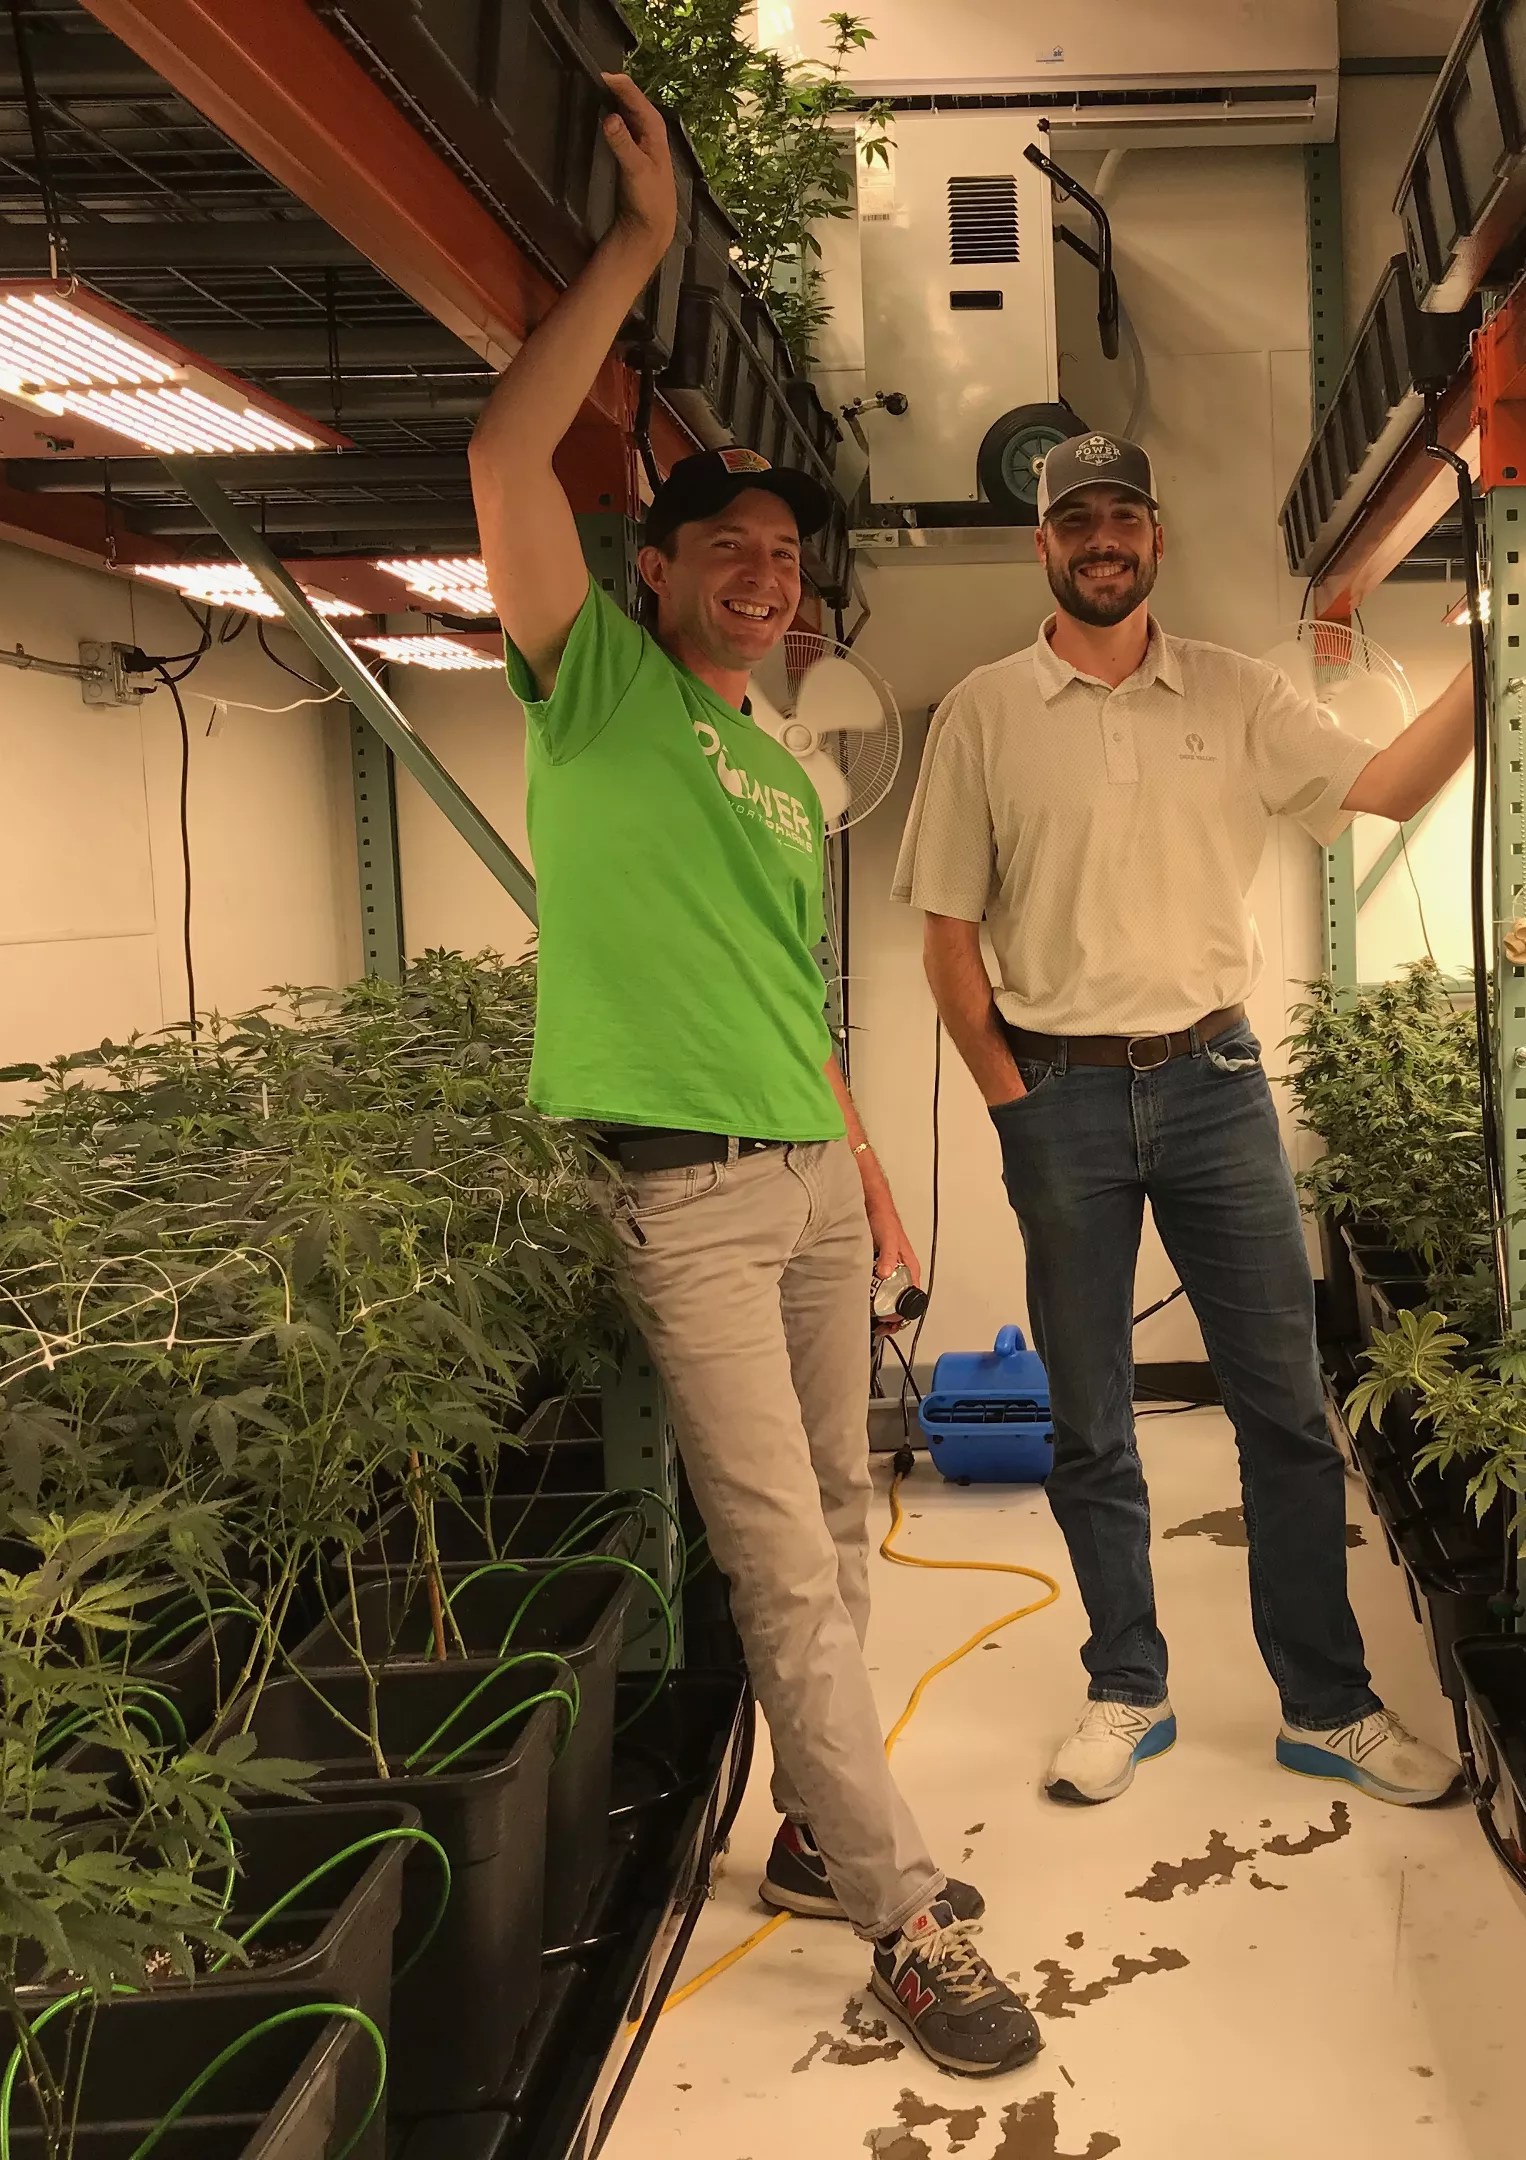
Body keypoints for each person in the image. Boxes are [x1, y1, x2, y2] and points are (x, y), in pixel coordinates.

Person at [468, 74, 1040, 2080]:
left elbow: (798, 1006)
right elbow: (502, 454)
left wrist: (866, 1179)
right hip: (688, 1200)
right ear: (653, 569)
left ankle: (812, 1830)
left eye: (787, 554)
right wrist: (641, 247)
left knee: (849, 1528)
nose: (767, 573)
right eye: (727, 545)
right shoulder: (598, 695)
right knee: (784, 1566)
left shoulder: (787, 775)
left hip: (802, 1182)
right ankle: (901, 1914)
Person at [893, 431, 1526, 1808]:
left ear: (1156, 537)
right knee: (1090, 1418)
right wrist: (1015, 1106)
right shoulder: (983, 711)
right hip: (1061, 1095)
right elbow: (949, 938)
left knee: (1285, 1407)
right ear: (1043, 543)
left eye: (1123, 517)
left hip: (1214, 1086)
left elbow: (1387, 786)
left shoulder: (1237, 693)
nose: (1102, 539)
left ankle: (1327, 1704)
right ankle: (1125, 1686)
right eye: (1076, 519)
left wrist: (1508, 646)